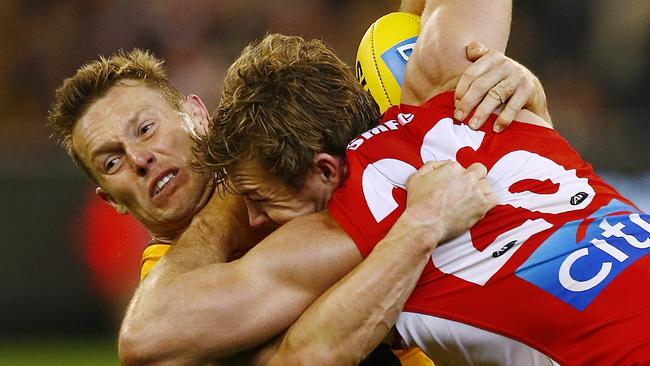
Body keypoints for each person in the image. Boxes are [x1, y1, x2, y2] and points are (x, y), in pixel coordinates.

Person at [47, 5, 551, 366]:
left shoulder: (305, 159)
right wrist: (230, 197)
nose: (139, 159)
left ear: (198, 115)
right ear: (109, 200)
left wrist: (518, 92)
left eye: (146, 128)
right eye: (111, 162)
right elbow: (145, 340)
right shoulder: (175, 285)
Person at [199, 0, 650, 365]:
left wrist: (205, 227)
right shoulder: (466, 90)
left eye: (257, 196)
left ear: (324, 171)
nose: (251, 215)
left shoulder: (336, 233)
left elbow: (153, 336)